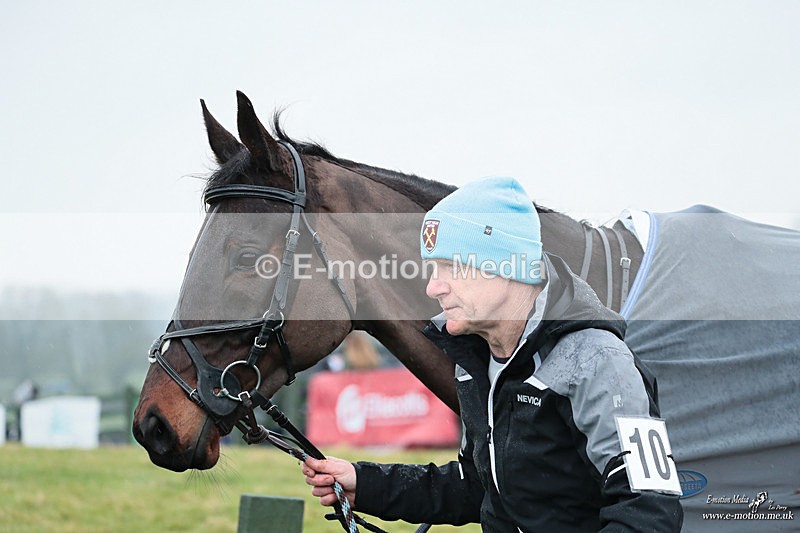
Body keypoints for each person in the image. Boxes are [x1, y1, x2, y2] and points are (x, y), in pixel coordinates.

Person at [302, 177, 684, 532]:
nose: (434, 287)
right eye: (433, 268)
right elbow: (477, 488)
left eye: (449, 266)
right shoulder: (475, 363)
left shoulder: (597, 360)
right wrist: (364, 484)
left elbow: (649, 511)